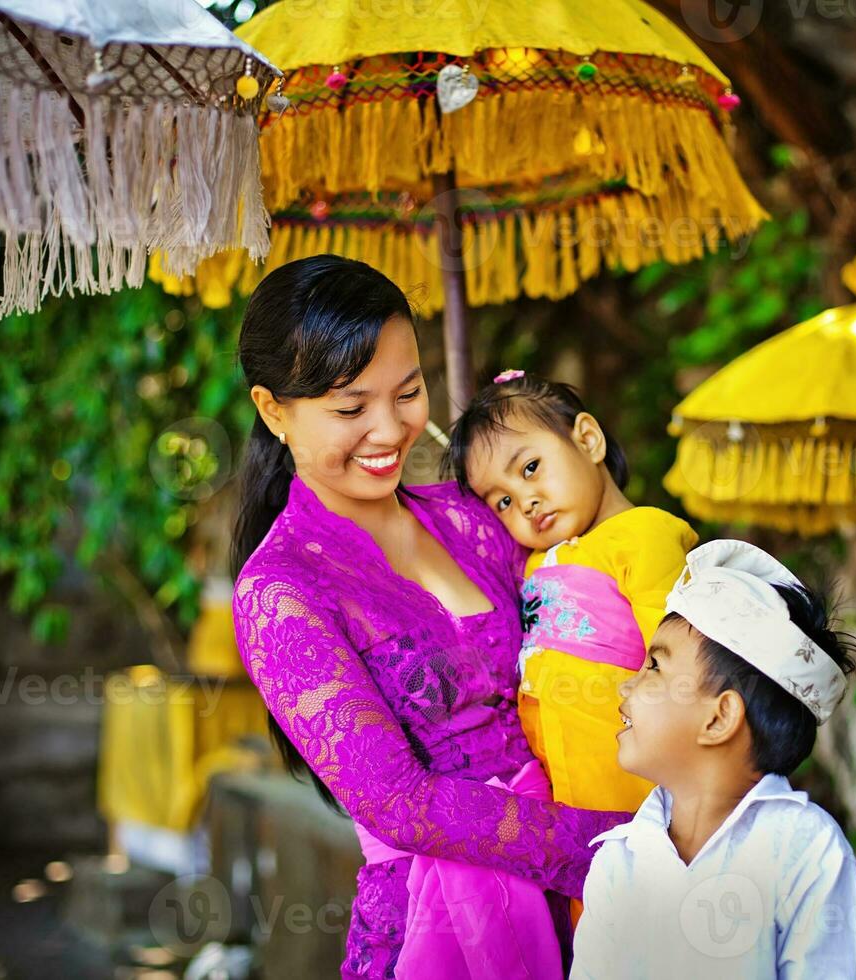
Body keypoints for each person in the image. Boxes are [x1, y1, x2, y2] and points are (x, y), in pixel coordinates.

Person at [229, 255, 629, 979]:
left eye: (409, 392)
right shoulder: (281, 593)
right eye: (351, 408)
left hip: (588, 879)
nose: (389, 429)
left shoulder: (474, 517)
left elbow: (587, 627)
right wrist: (608, 846)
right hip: (445, 915)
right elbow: (399, 802)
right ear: (272, 409)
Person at [447, 371, 698, 925]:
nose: (526, 503)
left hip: (639, 802)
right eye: (503, 501)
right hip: (568, 821)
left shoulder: (644, 534)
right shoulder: (538, 563)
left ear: (588, 439)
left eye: (530, 467)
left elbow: (683, 663)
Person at [570, 540, 856, 979]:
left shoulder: (804, 850)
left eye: (654, 666)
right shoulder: (619, 860)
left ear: (720, 717)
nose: (625, 687)